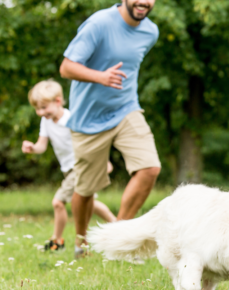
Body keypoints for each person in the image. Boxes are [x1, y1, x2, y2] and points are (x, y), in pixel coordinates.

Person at [59, 0, 161, 258]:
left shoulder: (150, 32)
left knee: (150, 168)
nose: (144, 2)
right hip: (88, 118)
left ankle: (116, 238)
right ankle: (81, 245)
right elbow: (66, 67)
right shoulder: (99, 24)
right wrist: (100, 77)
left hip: (126, 108)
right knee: (85, 190)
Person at [22, 79, 117, 252]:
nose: (40, 112)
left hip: (80, 166)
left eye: (43, 107)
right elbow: (42, 145)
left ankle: (57, 242)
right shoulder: (46, 121)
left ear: (57, 101)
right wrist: (33, 148)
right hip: (67, 170)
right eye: (37, 108)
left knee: (58, 202)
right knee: (89, 202)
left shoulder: (72, 119)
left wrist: (104, 162)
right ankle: (119, 227)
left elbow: (91, 142)